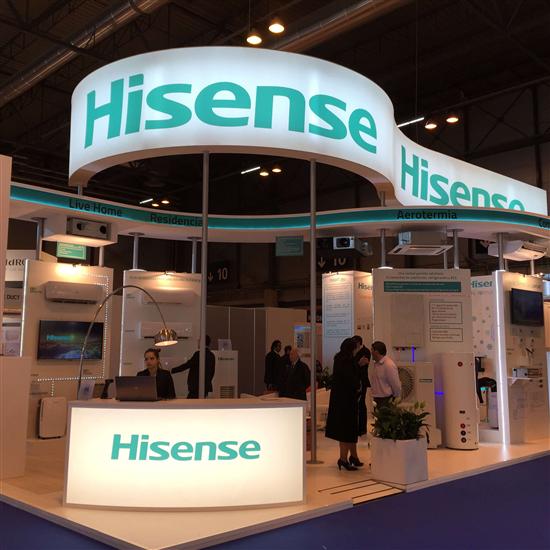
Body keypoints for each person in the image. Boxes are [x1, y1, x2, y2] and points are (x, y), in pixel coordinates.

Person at [325, 337, 363, 471]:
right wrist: (358, 385)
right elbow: (351, 379)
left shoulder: (340, 359)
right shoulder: (347, 361)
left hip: (342, 401)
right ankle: (343, 459)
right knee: (347, 431)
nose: (357, 349)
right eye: (356, 347)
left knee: (349, 430)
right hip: (346, 402)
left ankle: (353, 457)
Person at [369, 341, 401, 409]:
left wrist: (395, 398)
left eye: (372, 350)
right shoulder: (377, 364)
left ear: (376, 352)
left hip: (386, 400)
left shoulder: (389, 365)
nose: (371, 353)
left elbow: (395, 384)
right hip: (377, 399)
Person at [351, 335, 371, 436]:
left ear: (358, 343)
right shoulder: (353, 352)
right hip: (354, 381)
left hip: (361, 381)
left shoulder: (365, 351)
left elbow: (362, 365)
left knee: (361, 404)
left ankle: (362, 428)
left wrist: (356, 364)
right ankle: (355, 427)